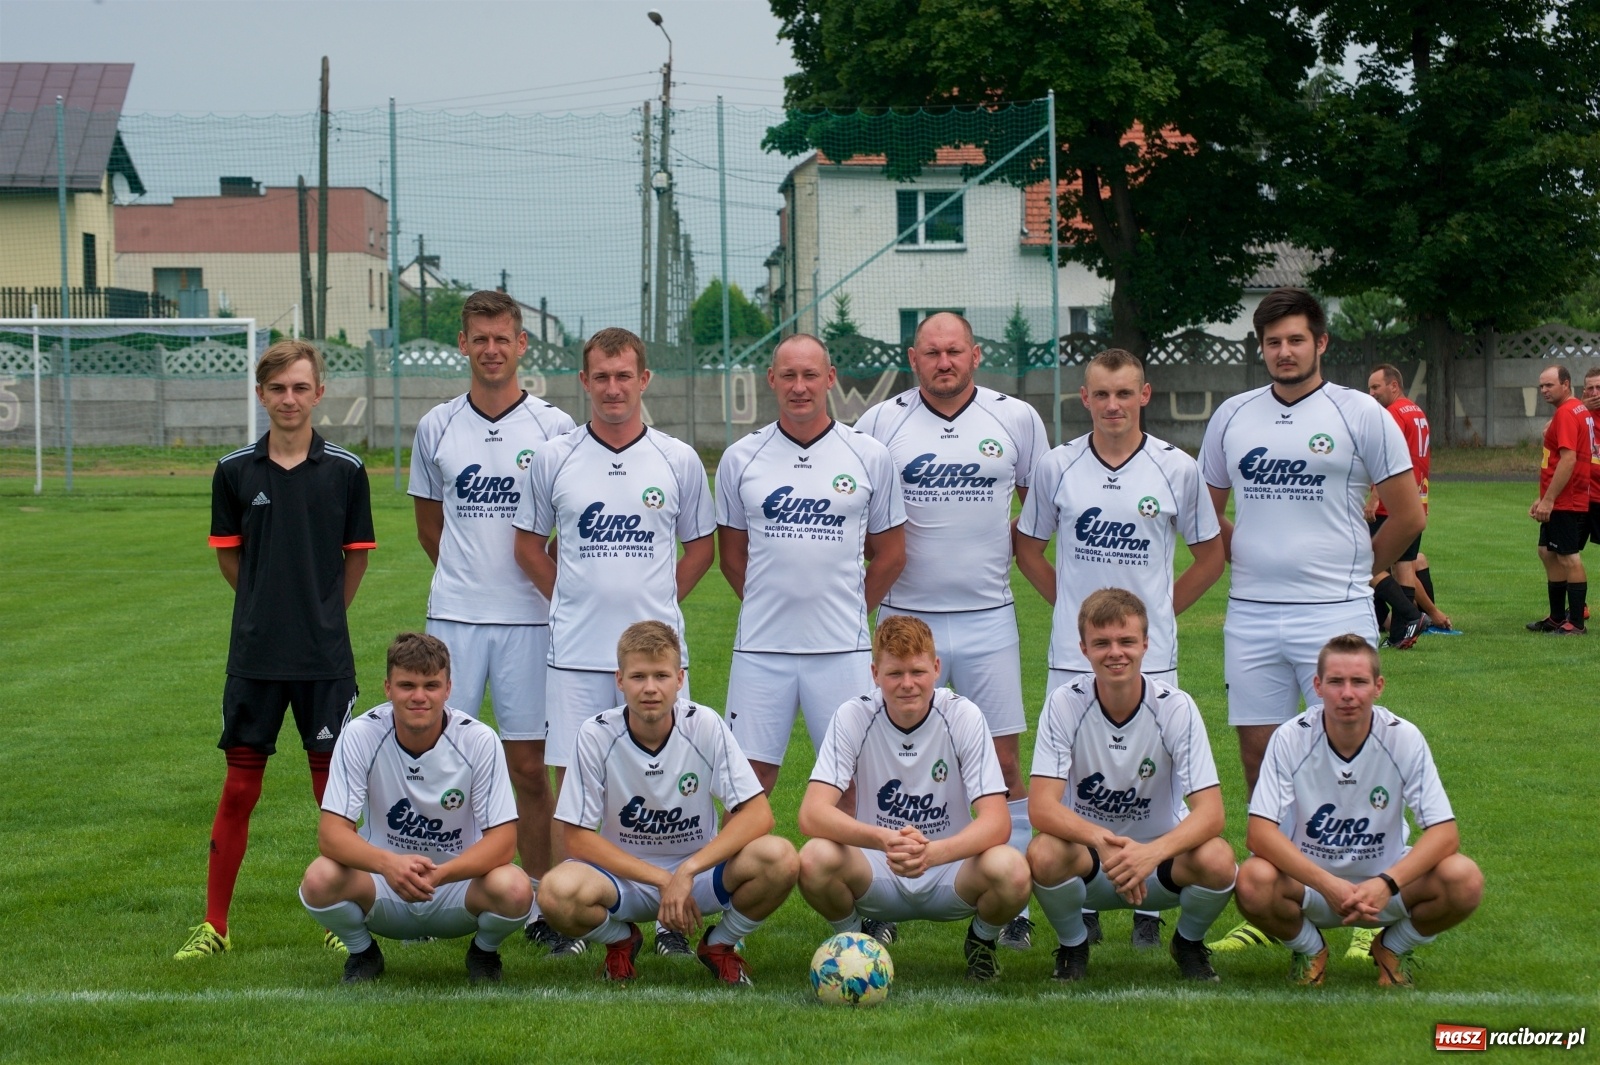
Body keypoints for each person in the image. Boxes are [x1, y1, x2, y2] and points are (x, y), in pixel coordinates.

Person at [1199, 289, 1423, 955]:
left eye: (1296, 339)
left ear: (1321, 342)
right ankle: (1284, 905)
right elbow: (1204, 513)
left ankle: (1366, 907)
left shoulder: (1360, 413)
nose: (1284, 351)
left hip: (1337, 612)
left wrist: (1361, 573)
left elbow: (1408, 513)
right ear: (1261, 347)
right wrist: (1252, 555)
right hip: (1252, 614)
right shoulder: (1232, 416)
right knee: (1261, 757)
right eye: (1272, 342)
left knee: (1348, 755)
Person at [512, 326, 716, 957]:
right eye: (600, 376)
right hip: (575, 655)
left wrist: (655, 613)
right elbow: (528, 547)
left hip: (656, 662)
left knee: (665, 787)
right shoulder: (554, 457)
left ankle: (670, 920)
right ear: (584, 382)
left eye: (624, 375)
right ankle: (584, 919)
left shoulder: (677, 458)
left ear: (644, 380)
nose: (613, 388)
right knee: (576, 787)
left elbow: (700, 546)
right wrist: (571, 601)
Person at [1016, 347, 1224, 952]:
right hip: (1071, 656)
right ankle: (1082, 906)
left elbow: (1209, 556)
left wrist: (1154, 620)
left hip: (1149, 658)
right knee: (1076, 781)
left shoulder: (1176, 468)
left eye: (1124, 393)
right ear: (1084, 398)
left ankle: (1149, 908)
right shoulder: (1058, 466)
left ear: (1144, 395)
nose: (1112, 405)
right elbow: (1028, 547)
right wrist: (1076, 620)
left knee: (1156, 782)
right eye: (1100, 394)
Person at [855, 310, 1050, 951]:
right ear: (913, 358)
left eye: (955, 351)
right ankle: (873, 889)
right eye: (932, 352)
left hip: (989, 615)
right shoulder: (881, 423)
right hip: (904, 622)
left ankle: (1008, 897)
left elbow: (1042, 509)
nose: (944, 362)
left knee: (1002, 760)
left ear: (975, 354)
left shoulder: (1016, 419)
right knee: (876, 760)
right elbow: (857, 519)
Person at [176, 339, 375, 960]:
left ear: (319, 394)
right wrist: (269, 607)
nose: (289, 399)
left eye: (300, 387)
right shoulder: (234, 470)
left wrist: (317, 615)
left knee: (332, 799)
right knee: (239, 790)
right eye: (277, 388)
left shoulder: (346, 470)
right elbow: (230, 557)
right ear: (261, 395)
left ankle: (340, 921)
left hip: (323, 660)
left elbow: (354, 562)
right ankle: (214, 926)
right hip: (257, 657)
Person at [408, 289, 578, 953]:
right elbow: (430, 524)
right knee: (440, 763)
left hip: (531, 622)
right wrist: (465, 578)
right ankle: (431, 897)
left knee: (530, 766)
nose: (491, 348)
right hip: (454, 617)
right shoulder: (436, 427)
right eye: (479, 338)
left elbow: (570, 518)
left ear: (522, 344)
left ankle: (539, 901)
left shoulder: (555, 427)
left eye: (502, 337)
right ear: (463, 344)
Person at [537, 622, 799, 985]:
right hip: (625, 879)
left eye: (661, 675)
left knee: (781, 858)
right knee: (555, 892)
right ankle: (621, 941)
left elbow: (758, 815)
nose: (649, 688)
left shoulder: (705, 725)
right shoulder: (596, 734)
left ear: (679, 679)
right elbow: (576, 839)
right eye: (638, 676)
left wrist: (688, 871)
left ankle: (720, 944)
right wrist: (662, 879)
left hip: (698, 876)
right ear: (619, 680)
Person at [715, 333, 905, 796]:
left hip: (843, 648)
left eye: (810, 375)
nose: (799, 387)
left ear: (830, 379)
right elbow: (731, 556)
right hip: (762, 648)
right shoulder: (740, 458)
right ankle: (745, 872)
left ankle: (857, 871)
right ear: (772, 381)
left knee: (853, 780)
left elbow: (892, 553)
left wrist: (847, 609)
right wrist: (772, 602)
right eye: (788, 376)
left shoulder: (869, 455)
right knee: (748, 781)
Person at [1234, 634, 1483, 987]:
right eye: (1336, 682)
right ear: (1317, 686)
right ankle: (1310, 948)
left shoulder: (1403, 737)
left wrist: (1386, 883)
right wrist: (1327, 884)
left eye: (1359, 682)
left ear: (1378, 686)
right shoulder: (1291, 737)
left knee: (1464, 878)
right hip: (1312, 887)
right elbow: (1258, 834)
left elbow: (1445, 833)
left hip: (1386, 887)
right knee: (1252, 880)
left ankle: (1393, 947)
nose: (1347, 693)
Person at [795, 615, 1032, 982]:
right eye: (895, 674)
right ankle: (857, 943)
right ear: (875, 673)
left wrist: (934, 853)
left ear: (936, 668)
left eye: (918, 671)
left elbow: (997, 821)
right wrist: (883, 839)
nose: (908, 684)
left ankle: (981, 944)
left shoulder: (963, 716)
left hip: (949, 871)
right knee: (813, 858)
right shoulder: (854, 715)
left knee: (1013, 870)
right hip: (879, 867)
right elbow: (812, 814)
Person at [1026, 589, 1237, 982]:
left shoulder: (1176, 707)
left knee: (1219, 859)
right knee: (1044, 853)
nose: (1115, 653)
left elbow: (1212, 813)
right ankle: (1073, 945)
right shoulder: (1064, 703)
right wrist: (1103, 841)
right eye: (1101, 643)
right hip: (1091, 861)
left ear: (1145, 644)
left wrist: (1150, 853)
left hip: (1159, 866)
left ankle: (1188, 943)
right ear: (1083, 649)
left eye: (1126, 641)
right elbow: (1041, 806)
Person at [298, 632, 532, 984]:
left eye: (431, 685)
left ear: (449, 688)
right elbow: (331, 835)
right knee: (318, 879)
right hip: (383, 885)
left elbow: (503, 842)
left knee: (515, 888)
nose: (419, 696)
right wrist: (390, 865)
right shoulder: (360, 734)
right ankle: (363, 953)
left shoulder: (479, 740)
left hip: (456, 886)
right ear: (388, 687)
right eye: (407, 685)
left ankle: (484, 953)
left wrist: (441, 875)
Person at [1364, 364, 1439, 638]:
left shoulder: (1392, 414)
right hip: (1417, 498)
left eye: (1376, 387)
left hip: (1392, 502)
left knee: (1365, 563)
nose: (1371, 393)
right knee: (1405, 565)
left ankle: (1408, 616)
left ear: (1393, 385)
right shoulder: (1416, 411)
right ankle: (1404, 631)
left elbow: (1388, 460)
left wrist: (1374, 498)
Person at [1526, 364, 1593, 635]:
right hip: (1563, 496)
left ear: (1566, 384)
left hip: (1567, 498)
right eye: (1541, 385)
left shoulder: (1567, 412)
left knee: (1569, 558)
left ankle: (1575, 622)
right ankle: (1556, 617)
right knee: (1547, 551)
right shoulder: (1578, 407)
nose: (1544, 390)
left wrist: (1550, 500)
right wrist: (1542, 498)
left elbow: (1568, 460)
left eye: (1549, 385)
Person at [1582, 367, 1600, 573]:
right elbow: (1548, 431)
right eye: (1591, 388)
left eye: (1599, 388)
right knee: (1561, 553)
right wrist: (1581, 406)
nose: (1595, 393)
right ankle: (1579, 606)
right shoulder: (1579, 412)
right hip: (1583, 498)